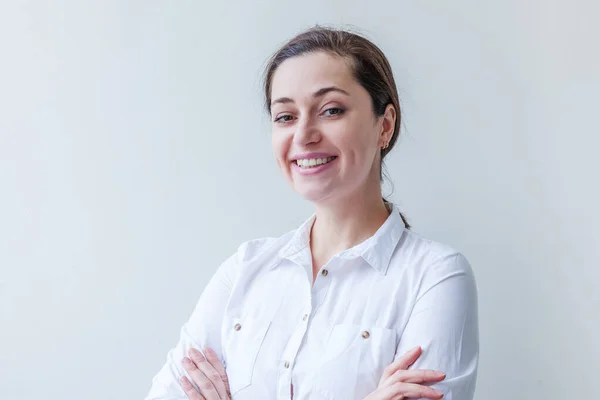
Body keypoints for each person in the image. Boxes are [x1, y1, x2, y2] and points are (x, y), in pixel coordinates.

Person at [145, 26, 479, 400]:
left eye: (331, 110)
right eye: (285, 116)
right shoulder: (244, 270)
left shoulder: (435, 276)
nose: (304, 135)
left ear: (384, 125)